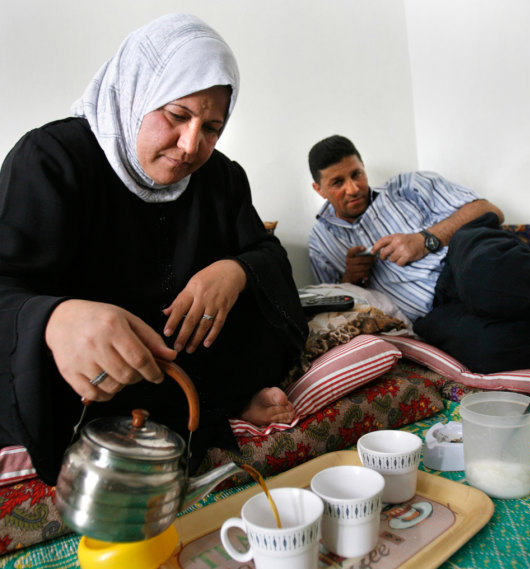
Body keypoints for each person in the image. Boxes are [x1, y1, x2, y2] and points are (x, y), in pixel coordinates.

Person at [0, 14, 308, 485]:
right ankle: (211, 402)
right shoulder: (51, 160)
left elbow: (268, 256)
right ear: (135, 92)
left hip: (189, 357)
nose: (190, 146)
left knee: (267, 302)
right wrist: (54, 319)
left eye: (212, 128)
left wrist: (235, 270)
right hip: (93, 379)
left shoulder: (222, 177)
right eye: (177, 115)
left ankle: (217, 398)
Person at [308, 134, 530, 374]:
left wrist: (425, 239)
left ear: (363, 167)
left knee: (483, 281)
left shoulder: (407, 186)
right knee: (486, 349)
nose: (353, 189)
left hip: (464, 258)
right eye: (338, 183)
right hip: (433, 311)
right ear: (319, 189)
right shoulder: (321, 240)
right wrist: (351, 278)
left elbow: (489, 210)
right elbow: (334, 304)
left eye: (356, 174)